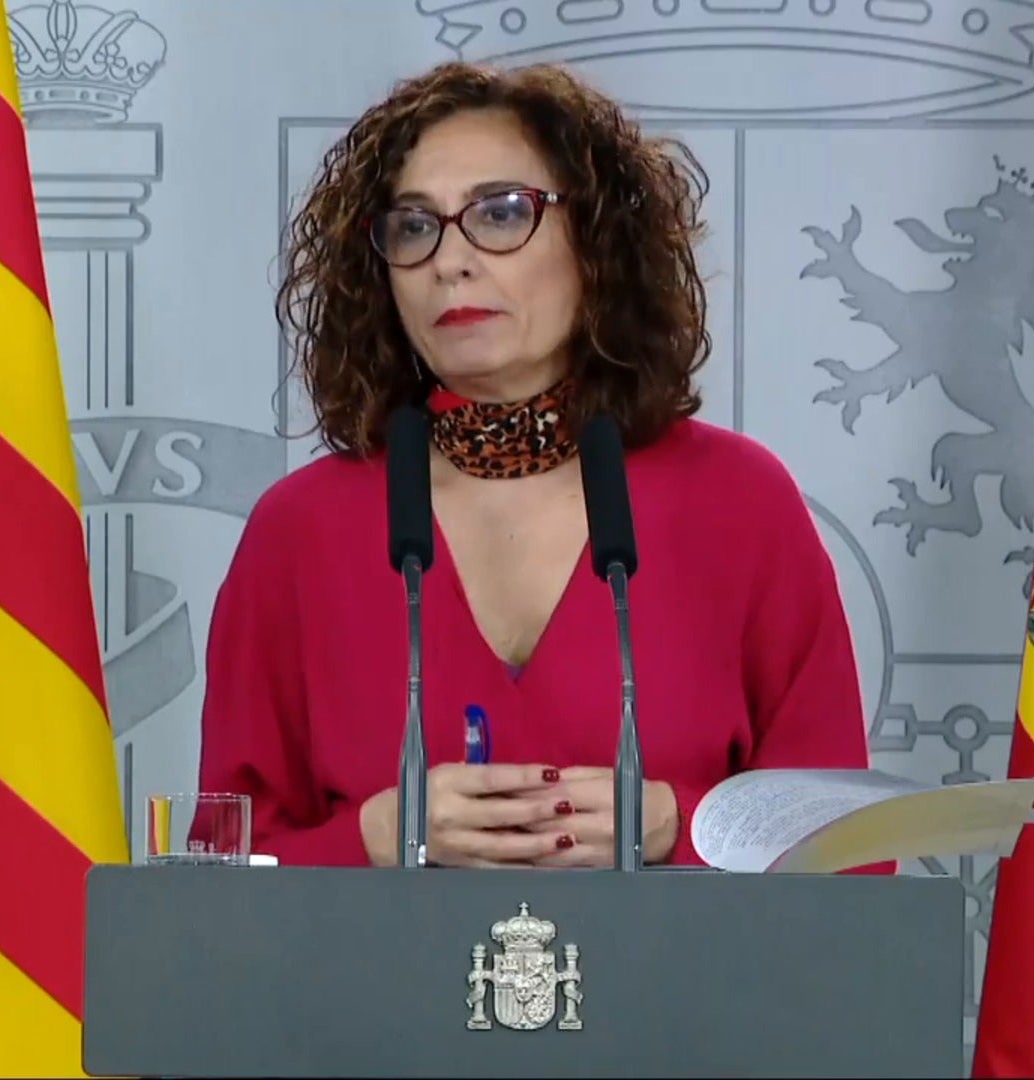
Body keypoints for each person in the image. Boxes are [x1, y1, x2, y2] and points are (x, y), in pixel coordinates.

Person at [194, 60, 871, 869]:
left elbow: (854, 864)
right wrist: (373, 838)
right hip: (377, 961)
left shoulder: (741, 504)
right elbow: (218, 879)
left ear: (596, 240)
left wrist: (677, 828)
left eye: (501, 213)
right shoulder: (299, 531)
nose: (450, 260)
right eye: (413, 227)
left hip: (675, 961)